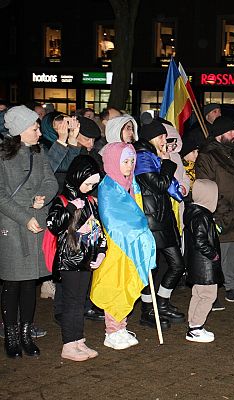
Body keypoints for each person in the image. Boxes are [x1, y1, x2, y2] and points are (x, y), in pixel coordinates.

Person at [0, 105, 58, 358]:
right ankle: (11, 336)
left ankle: (26, 333)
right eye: (35, 127)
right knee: (13, 283)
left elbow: (51, 180)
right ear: (21, 130)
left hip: (37, 222)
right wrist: (24, 217)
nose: (39, 131)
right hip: (12, 226)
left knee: (29, 283)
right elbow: (1, 196)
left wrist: (42, 197)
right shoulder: (2, 156)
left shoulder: (38, 151)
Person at [91, 142, 151, 350]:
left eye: (132, 161)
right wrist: (139, 230)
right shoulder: (108, 187)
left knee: (127, 282)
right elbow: (114, 219)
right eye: (124, 161)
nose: (129, 165)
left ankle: (121, 326)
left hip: (131, 245)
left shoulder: (131, 184)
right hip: (116, 246)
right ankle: (112, 330)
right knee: (114, 284)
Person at [46, 155, 106, 361]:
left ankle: (78, 339)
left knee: (81, 301)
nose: (90, 188)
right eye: (87, 183)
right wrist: (71, 207)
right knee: (71, 302)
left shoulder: (90, 202)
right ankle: (68, 344)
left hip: (86, 260)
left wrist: (101, 252)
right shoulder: (62, 200)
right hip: (68, 261)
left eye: (93, 184)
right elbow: (53, 224)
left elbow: (99, 230)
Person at [195, 116, 234, 304]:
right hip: (221, 214)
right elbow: (205, 185)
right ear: (219, 134)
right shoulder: (207, 155)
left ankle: (232, 288)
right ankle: (211, 294)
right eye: (230, 131)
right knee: (216, 256)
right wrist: (219, 209)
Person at [134, 119, 186, 328]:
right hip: (151, 220)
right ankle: (148, 309)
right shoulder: (142, 157)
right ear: (152, 138)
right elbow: (159, 184)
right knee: (151, 269)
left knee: (177, 265)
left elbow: (169, 187)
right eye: (162, 136)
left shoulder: (154, 157)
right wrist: (167, 163)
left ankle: (162, 302)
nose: (166, 140)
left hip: (163, 218)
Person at [183, 179, 224, 343]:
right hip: (205, 265)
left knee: (198, 294)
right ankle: (196, 327)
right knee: (208, 295)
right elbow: (201, 241)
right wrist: (213, 254)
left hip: (197, 265)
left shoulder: (193, 213)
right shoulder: (202, 216)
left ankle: (193, 325)